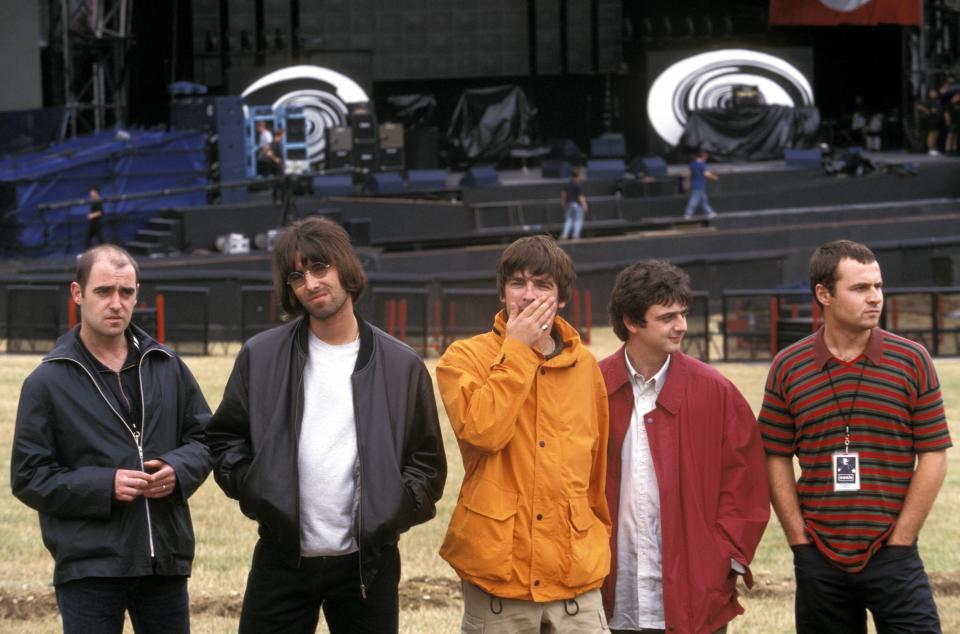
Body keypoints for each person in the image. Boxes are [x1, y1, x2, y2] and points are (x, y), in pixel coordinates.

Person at [206, 216, 446, 634]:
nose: (311, 283)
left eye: (320, 268)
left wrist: (391, 513)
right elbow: (225, 439)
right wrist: (257, 489)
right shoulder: (261, 356)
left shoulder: (402, 364)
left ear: (345, 269)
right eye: (297, 275)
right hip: (281, 556)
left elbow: (426, 461)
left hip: (367, 566)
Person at [10, 244, 212, 634]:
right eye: (104, 292)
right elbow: (29, 476)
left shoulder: (166, 365)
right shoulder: (47, 381)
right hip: (90, 567)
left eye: (127, 292)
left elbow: (205, 438)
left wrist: (178, 468)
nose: (116, 303)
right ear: (77, 294)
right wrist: (106, 485)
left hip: (164, 560)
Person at [759, 240, 952, 634]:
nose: (875, 298)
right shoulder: (788, 367)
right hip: (819, 558)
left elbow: (933, 454)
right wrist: (800, 542)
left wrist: (901, 539)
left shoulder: (912, 360)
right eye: (861, 288)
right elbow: (774, 456)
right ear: (823, 294)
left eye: (878, 286)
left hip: (894, 553)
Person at [436, 235, 611, 633]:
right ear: (502, 292)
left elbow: (595, 473)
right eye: (518, 283)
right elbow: (483, 432)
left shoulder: (585, 366)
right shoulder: (462, 358)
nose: (529, 295)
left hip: (575, 583)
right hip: (498, 580)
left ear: (562, 297)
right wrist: (517, 349)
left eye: (543, 284)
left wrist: (593, 539)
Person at [599, 260, 770, 634]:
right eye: (667, 317)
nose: (682, 326)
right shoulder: (591, 388)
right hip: (607, 598)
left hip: (696, 598)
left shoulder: (716, 391)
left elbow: (747, 485)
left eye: (683, 314)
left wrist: (723, 559)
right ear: (631, 321)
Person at [684, 150, 718, 219]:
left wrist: (688, 182)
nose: (706, 159)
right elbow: (706, 174)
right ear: (703, 157)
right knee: (694, 200)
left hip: (694, 184)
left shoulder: (692, 164)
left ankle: (710, 212)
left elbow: (689, 174)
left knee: (703, 200)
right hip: (700, 185)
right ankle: (688, 214)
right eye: (706, 157)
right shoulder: (702, 165)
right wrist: (713, 177)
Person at [559, 166, 589, 240]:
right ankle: (575, 236)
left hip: (569, 204)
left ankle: (564, 235)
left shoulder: (568, 184)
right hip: (577, 205)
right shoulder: (577, 185)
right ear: (578, 176)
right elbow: (580, 197)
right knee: (578, 220)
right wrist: (585, 205)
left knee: (568, 220)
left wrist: (563, 203)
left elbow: (563, 194)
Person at [916, 87, 944, 156]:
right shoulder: (928, 101)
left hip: (938, 120)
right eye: (931, 92)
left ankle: (934, 148)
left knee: (936, 134)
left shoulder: (938, 100)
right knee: (931, 134)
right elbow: (918, 106)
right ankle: (930, 149)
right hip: (931, 120)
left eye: (933, 92)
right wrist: (928, 111)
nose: (932, 93)